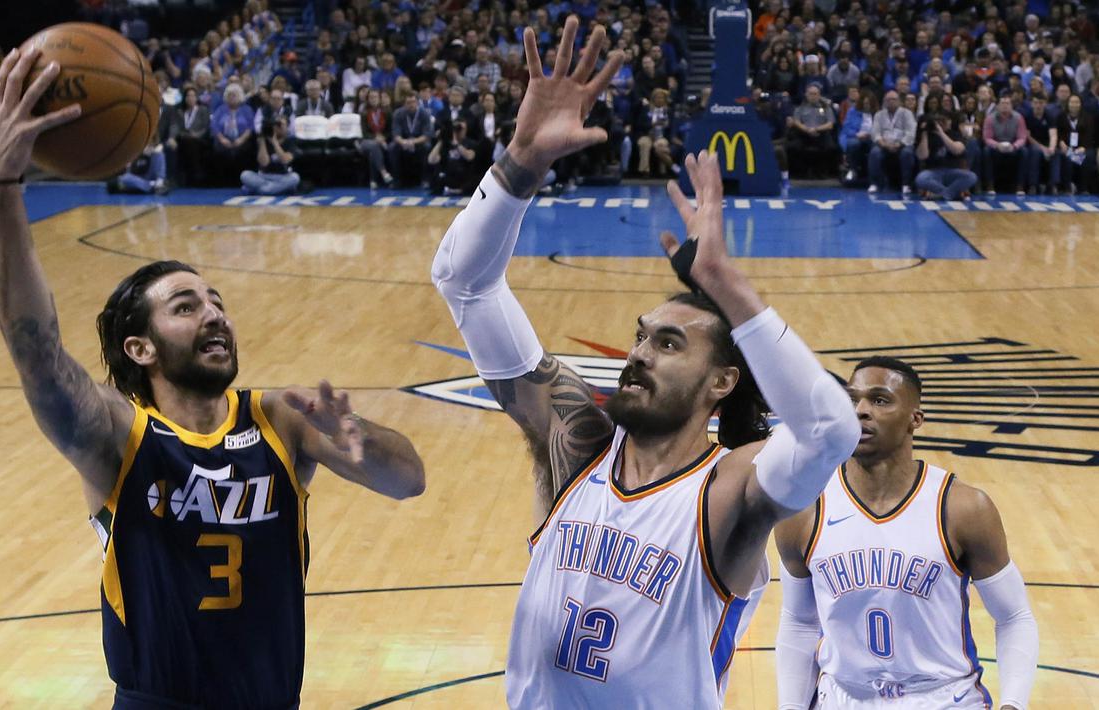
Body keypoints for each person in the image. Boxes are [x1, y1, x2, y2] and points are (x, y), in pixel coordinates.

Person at [0, 47, 424, 708]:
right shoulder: (119, 437)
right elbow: (35, 351)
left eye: (217, 301)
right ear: (142, 347)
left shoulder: (282, 420)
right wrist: (0, 191)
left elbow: (407, 481)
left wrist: (356, 436)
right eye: (185, 307)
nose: (214, 314)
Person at [431, 19, 859, 707]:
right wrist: (518, 165)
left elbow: (830, 434)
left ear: (722, 382)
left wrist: (727, 287)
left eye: (667, 344)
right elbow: (463, 282)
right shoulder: (574, 445)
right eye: (640, 337)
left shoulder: (730, 490)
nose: (636, 355)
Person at [774, 357, 1037, 709]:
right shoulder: (804, 510)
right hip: (844, 698)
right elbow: (798, 623)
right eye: (852, 400)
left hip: (944, 699)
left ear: (916, 419)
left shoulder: (962, 508)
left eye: (880, 400)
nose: (861, 411)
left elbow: (1014, 616)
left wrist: (1014, 704)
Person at [914, 111, 977, 200]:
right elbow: (922, 156)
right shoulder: (928, 136)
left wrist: (941, 133)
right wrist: (924, 134)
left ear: (949, 122)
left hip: (953, 171)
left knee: (971, 177)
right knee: (921, 178)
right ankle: (949, 193)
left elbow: (957, 150)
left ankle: (942, 194)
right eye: (938, 121)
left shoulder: (955, 134)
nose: (941, 123)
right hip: (934, 171)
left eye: (944, 121)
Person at [868, 90, 916, 194]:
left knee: (907, 153)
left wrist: (899, 144)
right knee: (875, 153)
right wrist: (884, 144)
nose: (891, 102)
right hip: (884, 144)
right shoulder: (879, 114)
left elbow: (911, 133)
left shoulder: (907, 113)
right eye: (888, 100)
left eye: (894, 99)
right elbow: (875, 133)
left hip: (902, 144)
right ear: (884, 101)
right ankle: (875, 183)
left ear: (899, 101)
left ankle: (906, 184)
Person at [241, 116, 302, 195]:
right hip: (264, 176)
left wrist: (274, 142)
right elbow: (264, 163)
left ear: (287, 127)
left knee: (295, 178)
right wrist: (262, 142)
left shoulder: (291, 142)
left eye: (280, 124)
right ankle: (277, 189)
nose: (277, 127)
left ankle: (261, 190)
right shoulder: (263, 140)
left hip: (283, 176)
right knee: (245, 175)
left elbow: (285, 160)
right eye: (275, 124)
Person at [982, 95, 1028, 195]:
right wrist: (997, 145)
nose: (1005, 106)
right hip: (996, 147)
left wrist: (1014, 146)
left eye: (1007, 103)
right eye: (1002, 103)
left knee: (1024, 151)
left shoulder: (1019, 118)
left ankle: (1020, 186)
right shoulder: (990, 118)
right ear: (997, 106)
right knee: (986, 151)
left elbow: (1022, 137)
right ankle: (990, 185)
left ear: (1011, 106)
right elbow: (987, 138)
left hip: (1012, 146)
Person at [1056, 94, 1096, 195]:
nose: (1074, 104)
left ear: (1081, 104)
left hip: (1082, 147)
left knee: (1088, 156)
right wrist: (1061, 142)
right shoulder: (1061, 117)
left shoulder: (1088, 118)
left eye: (1077, 102)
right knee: (1068, 156)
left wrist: (1083, 147)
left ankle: (1083, 188)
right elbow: (1058, 133)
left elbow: (1090, 135)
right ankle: (1067, 187)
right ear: (1068, 104)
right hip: (1066, 147)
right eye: (1072, 102)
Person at [1021, 94, 1059, 195]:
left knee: (1056, 152)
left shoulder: (1050, 115)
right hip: (1032, 144)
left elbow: (1053, 134)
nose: (1038, 105)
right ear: (1032, 104)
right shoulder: (1027, 116)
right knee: (1035, 151)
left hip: (1047, 144)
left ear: (1045, 104)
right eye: (1036, 103)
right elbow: (1028, 136)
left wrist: (1051, 148)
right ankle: (1033, 185)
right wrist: (1042, 148)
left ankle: (1053, 185)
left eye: (1041, 103)